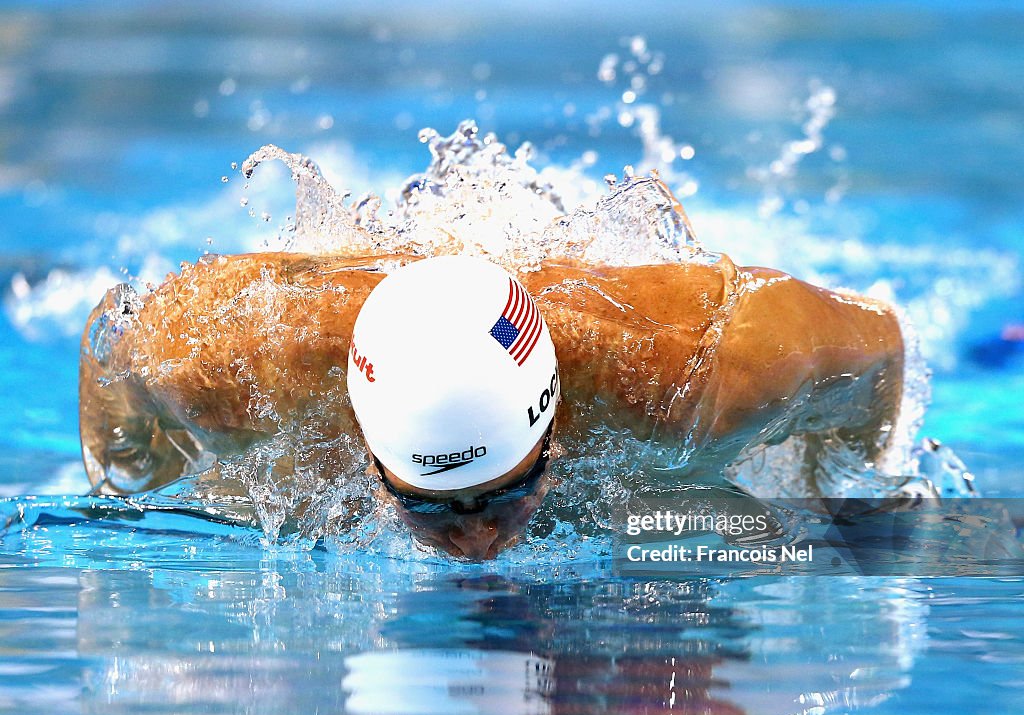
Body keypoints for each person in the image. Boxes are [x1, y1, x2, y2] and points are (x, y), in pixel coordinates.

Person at [79, 249, 905, 558]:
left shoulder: (711, 375)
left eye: (506, 492)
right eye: (428, 507)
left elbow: (880, 347)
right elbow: (110, 346)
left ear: (551, 422)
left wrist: (840, 480)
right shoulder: (224, 364)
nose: (475, 536)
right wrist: (130, 478)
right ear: (367, 449)